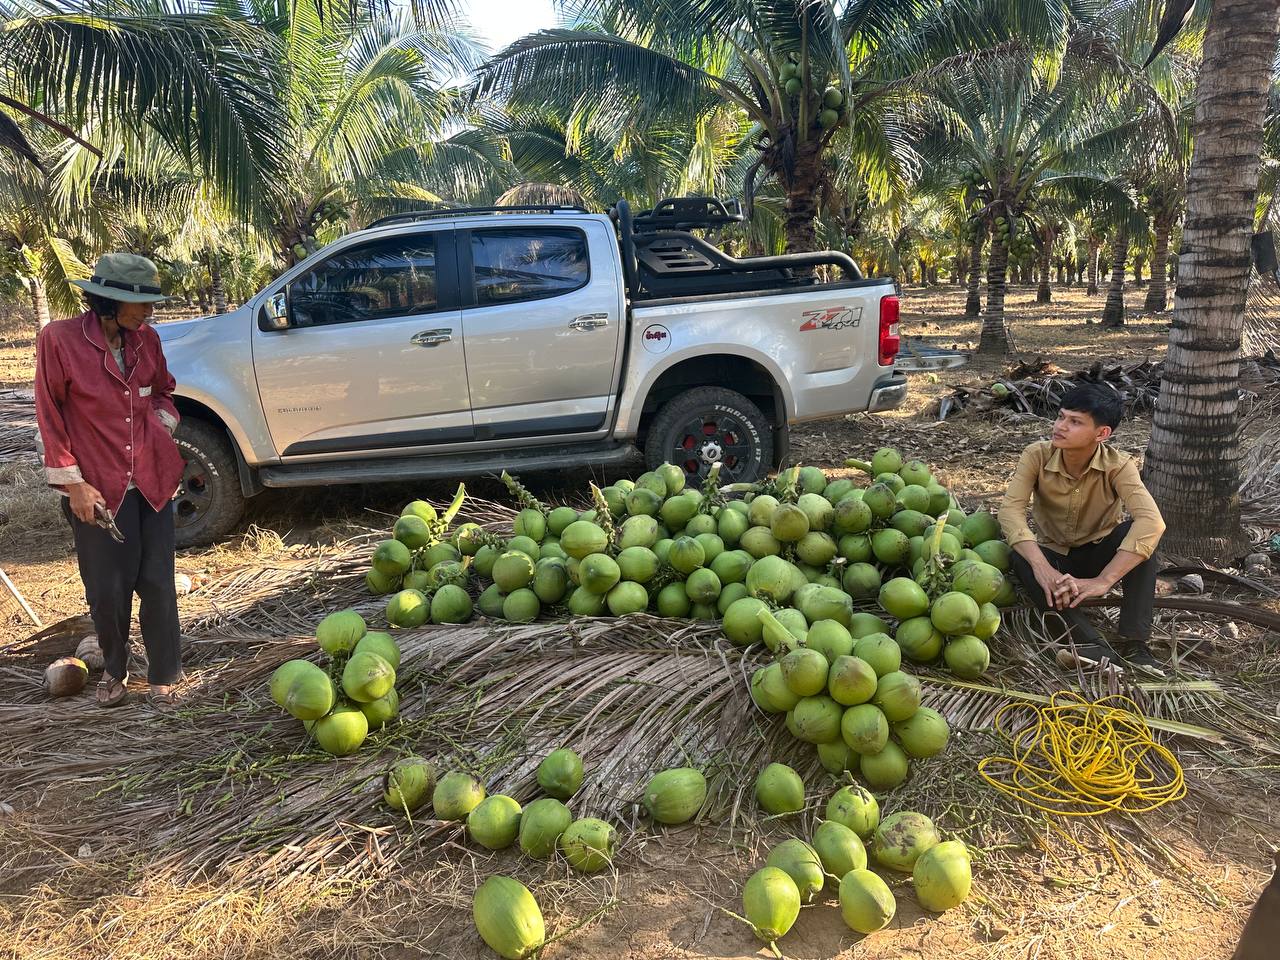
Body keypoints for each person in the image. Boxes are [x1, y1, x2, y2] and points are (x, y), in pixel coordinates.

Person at [34, 253, 187, 707]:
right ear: (109, 301)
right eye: (140, 304)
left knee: (158, 580)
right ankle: (115, 670)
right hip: (97, 487)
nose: (149, 312)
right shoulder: (59, 341)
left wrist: (160, 425)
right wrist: (74, 485)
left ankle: (164, 673)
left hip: (153, 481)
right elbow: (50, 413)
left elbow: (164, 388)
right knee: (107, 589)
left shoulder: (148, 341)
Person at [997, 383, 1166, 669]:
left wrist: (1104, 581)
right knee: (1020, 557)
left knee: (1141, 541)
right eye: (1061, 416)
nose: (1060, 426)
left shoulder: (1118, 465)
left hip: (1100, 556)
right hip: (1055, 558)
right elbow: (1011, 511)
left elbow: (1152, 521)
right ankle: (1093, 648)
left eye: (1075, 422)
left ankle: (1134, 643)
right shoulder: (1036, 455)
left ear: (1102, 434)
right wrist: (1043, 568)